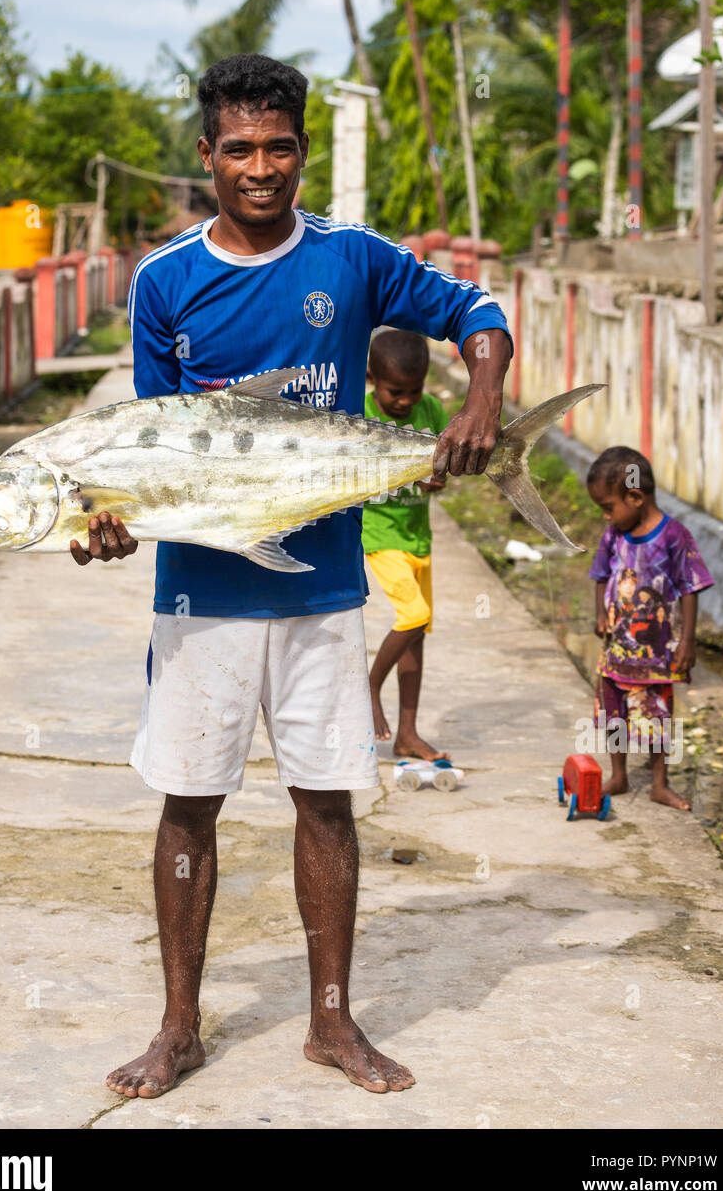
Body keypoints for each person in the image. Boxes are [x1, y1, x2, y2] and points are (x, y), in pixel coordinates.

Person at [70, 53, 512, 1096]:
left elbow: (478, 310)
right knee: (188, 805)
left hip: (320, 593)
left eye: (278, 148)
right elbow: (154, 441)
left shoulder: (352, 258)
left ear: (302, 153)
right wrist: (111, 519)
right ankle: (177, 1027)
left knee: (326, 802)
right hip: (199, 596)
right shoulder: (164, 282)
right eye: (238, 149)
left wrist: (482, 396)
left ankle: (330, 1023)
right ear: (205, 155)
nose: (259, 168)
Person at [586, 445, 714, 810]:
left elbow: (691, 586)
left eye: (608, 507)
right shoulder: (614, 536)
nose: (606, 517)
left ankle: (660, 783)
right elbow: (600, 577)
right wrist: (599, 614)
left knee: (657, 717)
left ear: (636, 496)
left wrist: (687, 641)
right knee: (614, 715)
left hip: (657, 654)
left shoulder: (674, 537)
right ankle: (619, 775)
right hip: (615, 652)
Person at [362, 329, 449, 760]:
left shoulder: (431, 409)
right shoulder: (357, 413)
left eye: (414, 391)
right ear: (371, 379)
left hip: (419, 534)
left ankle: (407, 734)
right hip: (379, 532)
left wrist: (438, 479)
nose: (405, 401)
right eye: (396, 391)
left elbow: (441, 472)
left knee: (416, 638)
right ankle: (370, 685)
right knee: (415, 614)